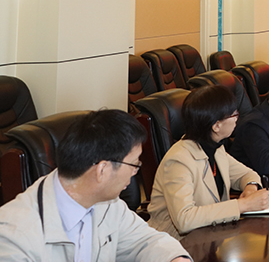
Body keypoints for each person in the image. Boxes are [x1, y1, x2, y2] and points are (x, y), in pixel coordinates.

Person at [0, 109, 189, 261]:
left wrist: (176, 258)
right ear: (102, 170)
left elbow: (145, 241)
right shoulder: (14, 235)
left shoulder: (107, 204)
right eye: (134, 165)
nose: (135, 173)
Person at [148, 86, 269, 237]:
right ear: (216, 126)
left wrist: (251, 188)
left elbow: (246, 174)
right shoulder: (178, 160)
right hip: (177, 243)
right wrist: (244, 205)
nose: (237, 118)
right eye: (234, 114)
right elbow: (184, 220)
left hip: (212, 235)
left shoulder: (215, 147)